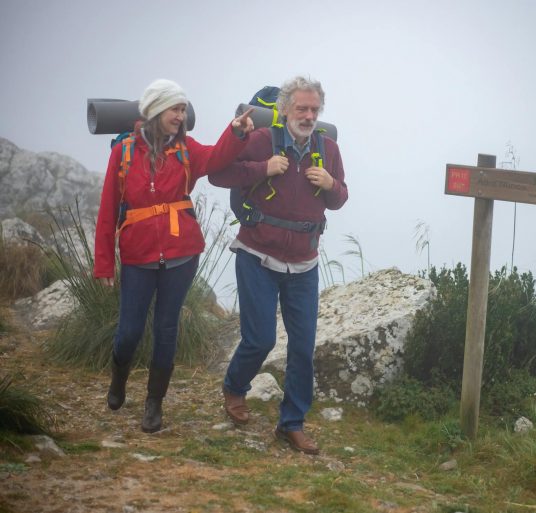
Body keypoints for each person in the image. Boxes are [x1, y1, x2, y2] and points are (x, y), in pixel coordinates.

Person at [93, 78, 255, 433]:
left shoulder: (186, 149)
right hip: (137, 255)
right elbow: (108, 210)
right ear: (155, 111)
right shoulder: (122, 154)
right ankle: (118, 378)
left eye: (183, 109)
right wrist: (103, 262)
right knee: (130, 332)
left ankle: (154, 404)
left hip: (182, 254)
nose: (181, 116)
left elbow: (215, 158)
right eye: (175, 109)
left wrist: (237, 132)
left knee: (167, 329)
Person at [209, 76, 348, 454]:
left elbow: (340, 198)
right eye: (301, 108)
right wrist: (262, 169)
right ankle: (235, 387)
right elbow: (218, 174)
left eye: (314, 110)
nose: (308, 116)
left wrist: (331, 184)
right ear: (285, 109)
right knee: (261, 339)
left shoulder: (328, 149)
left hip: (304, 262)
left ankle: (291, 423)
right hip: (257, 253)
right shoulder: (260, 142)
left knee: (302, 346)